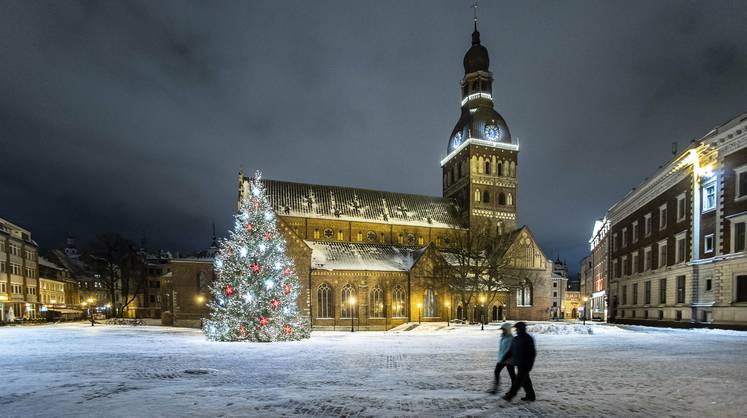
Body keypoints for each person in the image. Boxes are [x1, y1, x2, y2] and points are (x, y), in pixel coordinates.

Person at [500, 321, 536, 402]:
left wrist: (530, 365)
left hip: (525, 364)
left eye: (517, 328)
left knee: (518, 381)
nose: (516, 330)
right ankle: (531, 396)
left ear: (522, 329)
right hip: (519, 363)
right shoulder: (516, 338)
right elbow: (510, 351)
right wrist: (504, 358)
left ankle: (510, 396)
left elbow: (532, 353)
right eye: (516, 328)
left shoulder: (528, 339)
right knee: (525, 381)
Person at [487, 322, 515, 394]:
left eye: (504, 329)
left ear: (507, 330)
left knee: (512, 376)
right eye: (502, 329)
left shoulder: (511, 338)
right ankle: (495, 388)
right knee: (497, 372)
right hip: (502, 359)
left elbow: (510, 350)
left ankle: (513, 390)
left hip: (508, 360)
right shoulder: (504, 337)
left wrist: (504, 358)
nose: (502, 331)